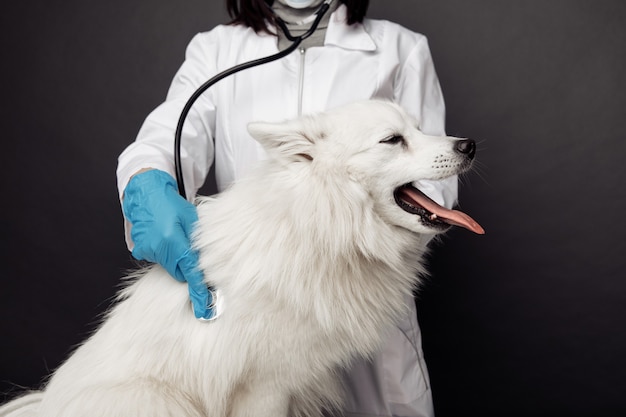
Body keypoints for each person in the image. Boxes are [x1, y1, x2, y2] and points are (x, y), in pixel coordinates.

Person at [117, 0, 458, 416]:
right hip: (262, 293)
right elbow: (166, 137)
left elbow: (433, 179)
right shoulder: (217, 49)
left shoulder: (399, 47)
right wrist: (145, 179)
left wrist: (352, 235)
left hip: (369, 312)